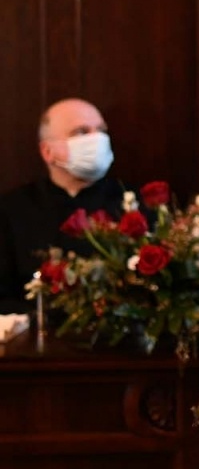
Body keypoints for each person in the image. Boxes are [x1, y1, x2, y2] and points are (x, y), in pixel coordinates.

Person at [0, 98, 127, 313]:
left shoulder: (133, 205)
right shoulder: (11, 210)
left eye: (101, 131)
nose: (96, 140)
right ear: (47, 151)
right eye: (81, 132)